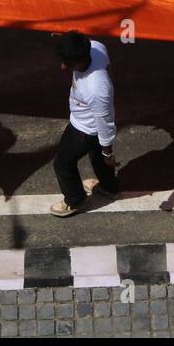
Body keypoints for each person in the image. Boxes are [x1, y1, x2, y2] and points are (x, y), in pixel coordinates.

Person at [50, 30, 119, 217]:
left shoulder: (96, 88)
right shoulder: (96, 47)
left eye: (68, 63)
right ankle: (109, 187)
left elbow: (104, 122)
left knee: (63, 164)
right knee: (97, 158)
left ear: (80, 61)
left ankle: (75, 200)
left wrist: (108, 151)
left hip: (84, 129)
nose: (63, 67)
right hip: (92, 124)